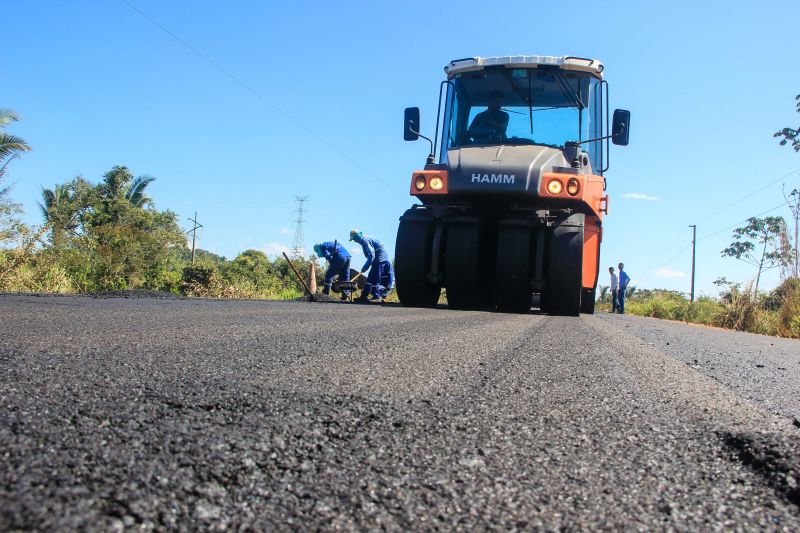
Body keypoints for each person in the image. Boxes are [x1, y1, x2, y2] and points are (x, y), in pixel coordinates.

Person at [350, 229, 394, 302]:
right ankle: (364, 296)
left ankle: (376, 296)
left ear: (357, 236)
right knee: (370, 278)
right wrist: (368, 263)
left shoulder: (365, 241)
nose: (354, 241)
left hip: (380, 259)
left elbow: (371, 255)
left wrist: (366, 266)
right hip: (376, 260)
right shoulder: (364, 240)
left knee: (375, 277)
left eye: (354, 238)